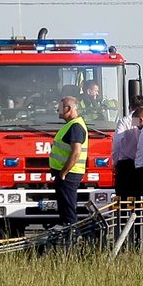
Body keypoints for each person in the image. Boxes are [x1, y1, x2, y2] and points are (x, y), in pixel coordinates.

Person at [48, 96, 87, 225]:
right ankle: (68, 238)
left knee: (68, 211)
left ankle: (72, 238)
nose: (57, 111)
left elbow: (76, 152)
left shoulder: (75, 126)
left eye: (59, 108)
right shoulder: (71, 125)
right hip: (67, 174)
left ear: (68, 109)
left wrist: (64, 172)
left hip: (69, 175)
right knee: (65, 210)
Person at [111, 106, 143, 198]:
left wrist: (114, 161)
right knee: (138, 196)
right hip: (140, 164)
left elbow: (117, 142)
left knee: (124, 197)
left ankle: (124, 212)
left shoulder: (125, 121)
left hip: (125, 164)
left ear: (129, 107)